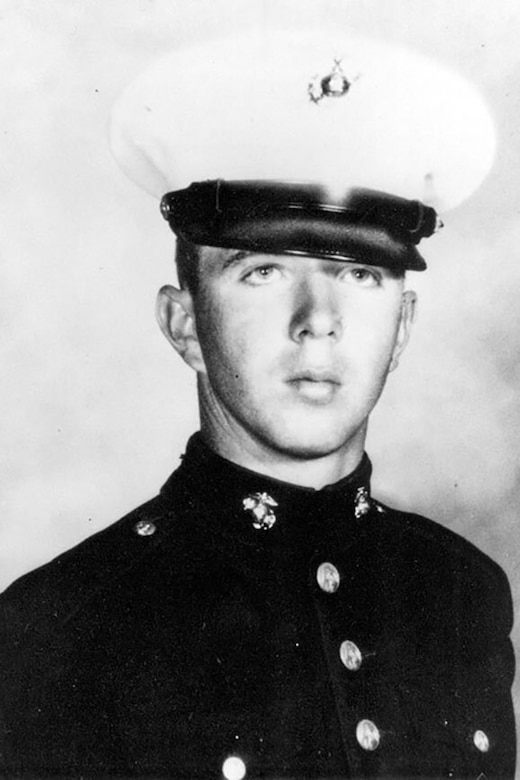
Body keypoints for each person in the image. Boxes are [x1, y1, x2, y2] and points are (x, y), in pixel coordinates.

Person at [0, 29, 515, 780]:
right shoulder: (61, 630)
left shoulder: (460, 595)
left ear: (401, 329)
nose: (319, 318)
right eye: (264, 271)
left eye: (362, 275)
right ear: (185, 325)